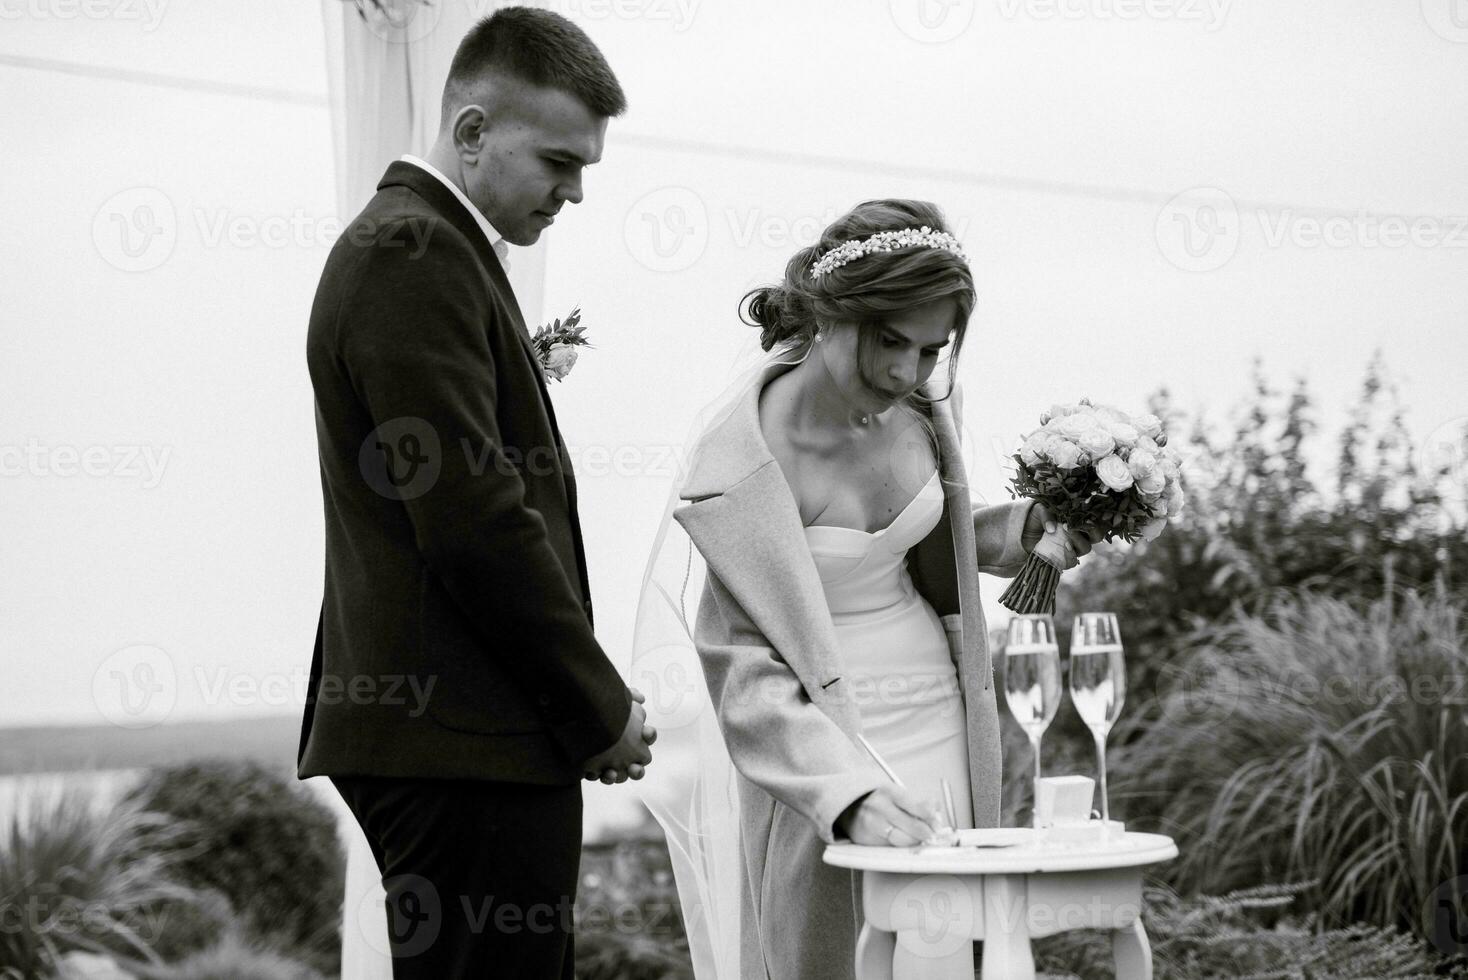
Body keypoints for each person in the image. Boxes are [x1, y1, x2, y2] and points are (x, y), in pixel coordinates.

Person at [635, 199, 1090, 979]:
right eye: (887, 342)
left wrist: (1025, 531)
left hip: (947, 721)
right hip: (828, 757)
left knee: (955, 954)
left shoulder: (919, 408)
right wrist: (845, 797)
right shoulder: (739, 468)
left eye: (929, 350)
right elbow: (744, 678)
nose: (905, 373)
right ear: (827, 311)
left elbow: (917, 540)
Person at [296, 9, 654, 978]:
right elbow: (474, 517)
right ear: (470, 132)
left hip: (462, 735)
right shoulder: (411, 255)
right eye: (557, 160)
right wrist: (597, 701)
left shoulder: (430, 250)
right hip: (460, 739)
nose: (574, 191)